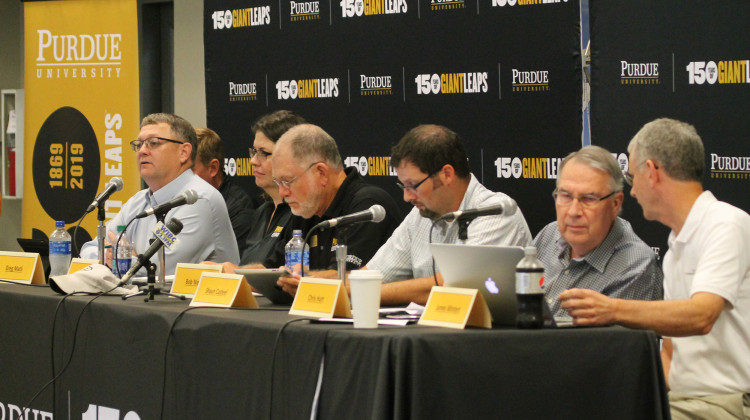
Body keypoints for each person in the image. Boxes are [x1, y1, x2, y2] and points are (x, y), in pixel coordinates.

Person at [559, 118, 750, 420]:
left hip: (725, 403)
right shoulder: (677, 245)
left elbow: (702, 316)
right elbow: (671, 354)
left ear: (652, 172)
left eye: (633, 177)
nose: (632, 193)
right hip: (683, 401)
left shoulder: (725, 224)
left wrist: (612, 310)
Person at [365, 124, 533, 305]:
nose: (406, 197)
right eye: (403, 186)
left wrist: (366, 291)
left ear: (446, 174)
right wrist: (346, 288)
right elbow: (373, 275)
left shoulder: (496, 212)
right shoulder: (420, 215)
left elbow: (455, 287)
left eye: (413, 185)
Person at [80, 113, 240, 275]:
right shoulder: (138, 201)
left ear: (183, 152)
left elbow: (161, 271)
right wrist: (119, 258)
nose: (142, 151)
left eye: (153, 143)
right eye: (139, 144)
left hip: (194, 300)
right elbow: (89, 249)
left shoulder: (199, 199)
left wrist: (122, 258)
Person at [533, 145, 662, 319]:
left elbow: (606, 344)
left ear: (615, 203)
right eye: (566, 196)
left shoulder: (635, 267)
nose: (573, 211)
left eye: (588, 199)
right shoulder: (548, 235)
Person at [273, 123, 403, 289]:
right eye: (278, 183)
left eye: (287, 181)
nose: (282, 192)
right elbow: (273, 268)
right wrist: (238, 275)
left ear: (321, 173)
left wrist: (301, 278)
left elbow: (351, 279)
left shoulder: (368, 205)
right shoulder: (306, 208)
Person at [208, 110, 307, 273]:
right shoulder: (261, 212)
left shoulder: (302, 215)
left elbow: (285, 275)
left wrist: (235, 273)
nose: (253, 161)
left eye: (264, 153)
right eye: (254, 152)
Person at [194, 127, 260, 256]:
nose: (180, 177)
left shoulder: (240, 209)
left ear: (213, 168)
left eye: (189, 170)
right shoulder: (176, 201)